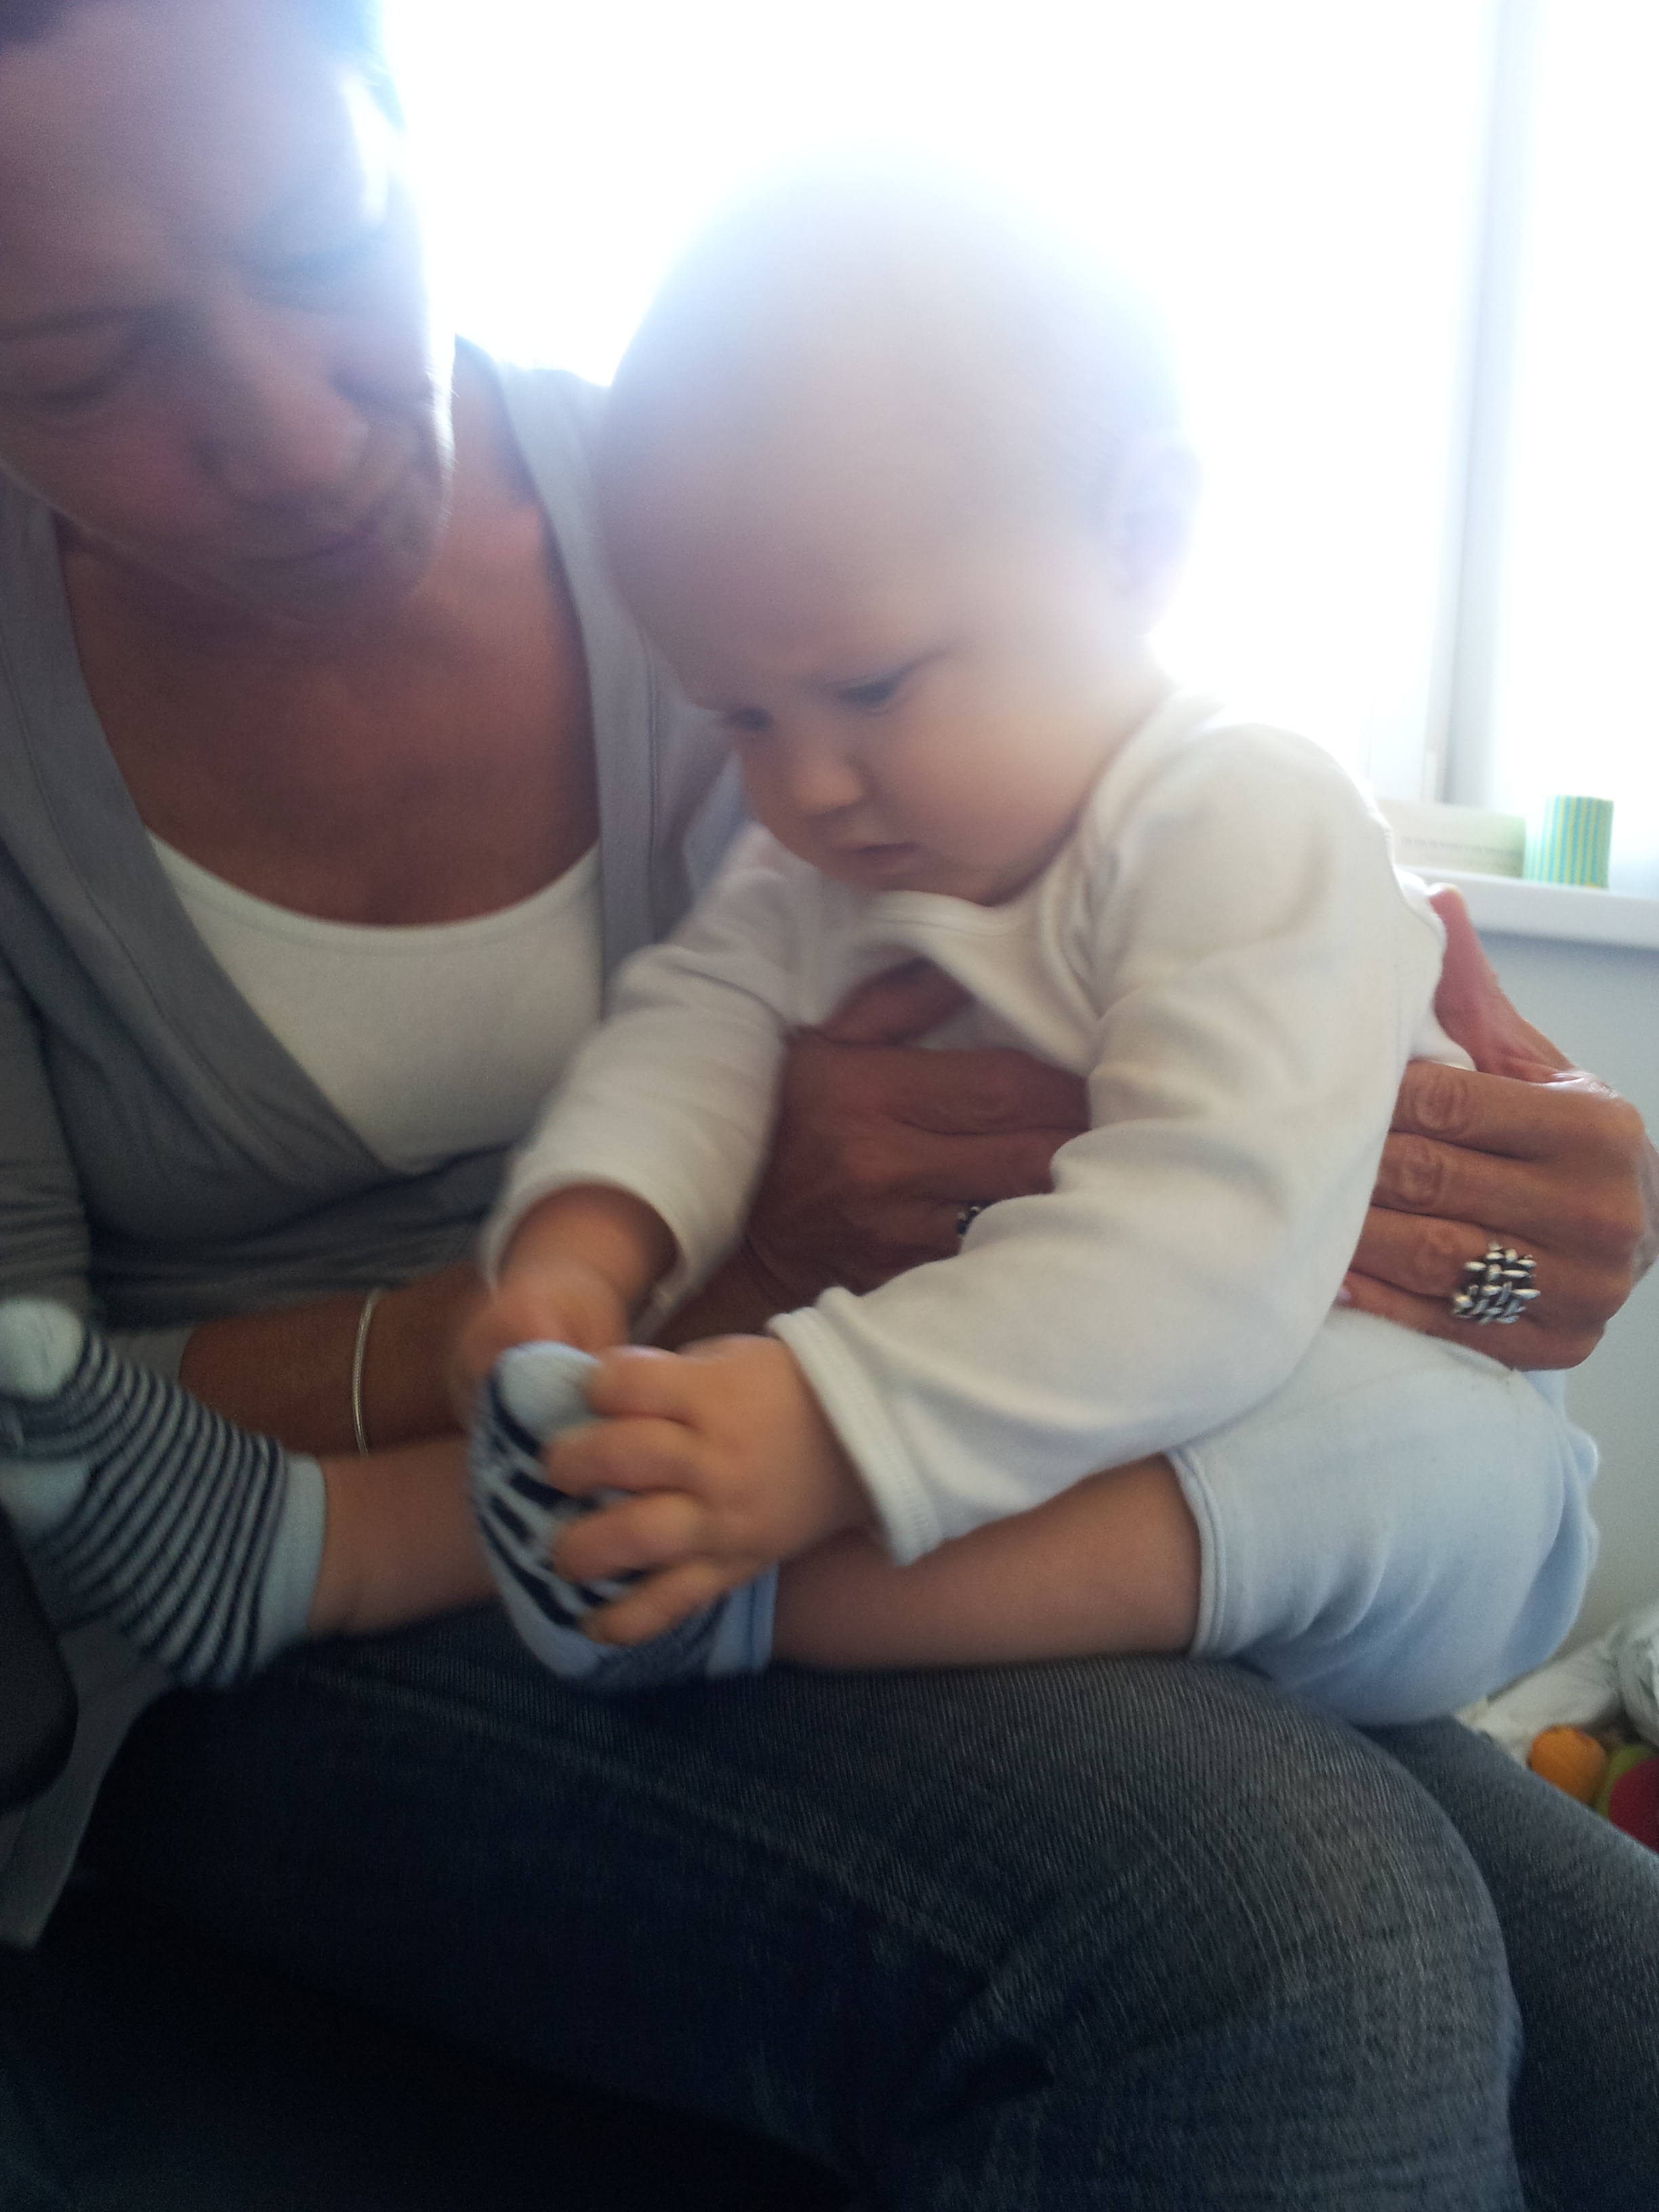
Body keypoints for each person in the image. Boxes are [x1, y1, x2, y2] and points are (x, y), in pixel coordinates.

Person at [0, 4, 1655, 2207]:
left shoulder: (779, 510)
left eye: (318, 244)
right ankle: (430, 1551)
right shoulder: (778, 635)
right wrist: (573, 1272)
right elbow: (705, 1026)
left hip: (965, 1430)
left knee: (1618, 2030)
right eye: (82, 364)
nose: (282, 434)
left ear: (410, 124)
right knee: (1281, 1943)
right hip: (492, 1520)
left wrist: (1487, 1238)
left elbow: (1221, 1231)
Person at [455, 176, 1593, 1721]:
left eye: (872, 689)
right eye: (742, 717)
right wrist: (578, 1254)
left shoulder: (1243, 816)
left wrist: (829, 1422)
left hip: (1383, 1473)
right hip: (1030, 1435)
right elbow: (691, 1033)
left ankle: (742, 1607)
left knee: (1405, 1425)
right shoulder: (836, 855)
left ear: (1139, 540)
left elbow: (1205, 1258)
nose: (805, 785)